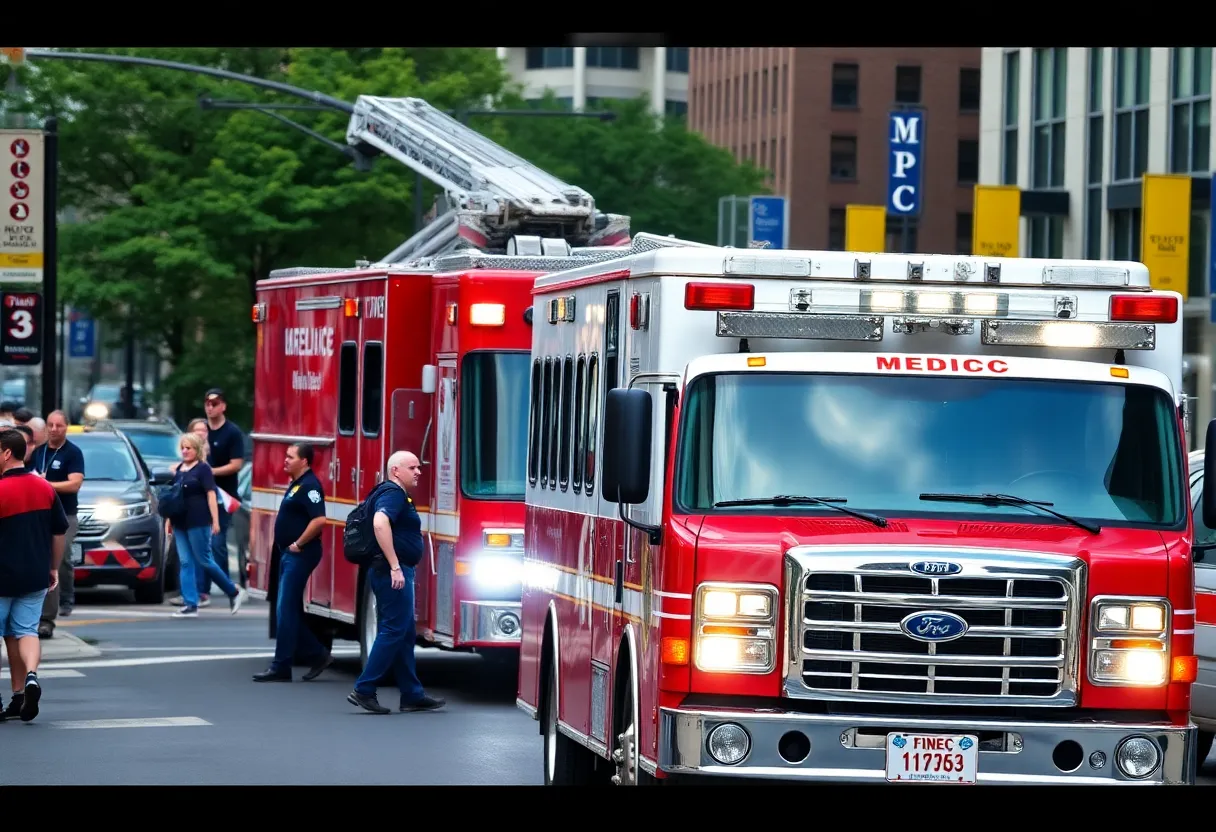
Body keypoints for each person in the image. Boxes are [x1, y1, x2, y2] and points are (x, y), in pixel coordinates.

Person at [347, 451, 445, 715]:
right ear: (395, 471)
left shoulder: (390, 492)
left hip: (388, 571)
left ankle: (411, 694)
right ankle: (364, 689)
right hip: (393, 572)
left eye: (418, 467)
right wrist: (394, 566)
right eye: (412, 467)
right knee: (393, 630)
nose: (418, 472)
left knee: (404, 632)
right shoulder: (393, 494)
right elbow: (380, 524)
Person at [0, 428, 68, 723]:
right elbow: (59, 533)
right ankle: (26, 683)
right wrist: (52, 567)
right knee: (25, 631)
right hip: (35, 573)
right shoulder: (45, 488)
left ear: (6, 453)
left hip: (2, 575)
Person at [253, 443, 333, 683]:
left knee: (284, 609)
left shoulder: (310, 486)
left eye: (290, 456)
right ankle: (316, 654)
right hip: (289, 555)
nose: (285, 460)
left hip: (301, 554)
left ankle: (281, 666)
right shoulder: (296, 484)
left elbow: (319, 520)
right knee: (288, 609)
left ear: (305, 462)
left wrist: (298, 543)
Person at [163, 433, 246, 618]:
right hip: (180, 522)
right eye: (183, 448)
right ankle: (190, 604)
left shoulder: (203, 469)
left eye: (189, 448)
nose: (185, 451)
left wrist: (215, 521)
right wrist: (169, 520)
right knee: (185, 562)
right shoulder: (179, 469)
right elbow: (173, 498)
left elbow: (211, 495)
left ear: (197, 449)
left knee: (204, 560)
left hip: (198, 521)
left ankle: (233, 591)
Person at [36, 410, 84, 630]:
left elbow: (74, 484)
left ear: (67, 427)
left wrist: (48, 485)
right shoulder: (39, 452)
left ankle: (67, 597)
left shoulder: (73, 453)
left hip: (65, 514)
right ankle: (45, 613)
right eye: (51, 425)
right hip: (41, 514)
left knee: (61, 557)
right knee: (44, 560)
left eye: (59, 426)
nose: (54, 429)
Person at [200, 389, 244, 607]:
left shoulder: (232, 432)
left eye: (215, 403)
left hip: (224, 497)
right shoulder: (201, 431)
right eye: (207, 404)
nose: (210, 407)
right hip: (200, 497)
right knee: (201, 542)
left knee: (217, 542)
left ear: (223, 406)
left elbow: (237, 464)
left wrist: (210, 472)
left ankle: (229, 587)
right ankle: (202, 591)